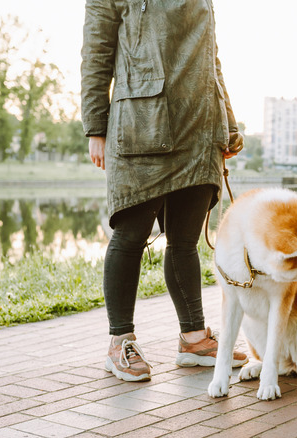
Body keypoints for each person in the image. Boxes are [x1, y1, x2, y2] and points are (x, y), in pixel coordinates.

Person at [81, 0, 247, 382]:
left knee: (185, 241)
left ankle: (193, 339)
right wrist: (95, 127)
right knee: (130, 235)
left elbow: (212, 62)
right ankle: (119, 341)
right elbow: (96, 54)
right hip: (142, 123)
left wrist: (229, 124)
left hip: (199, 125)